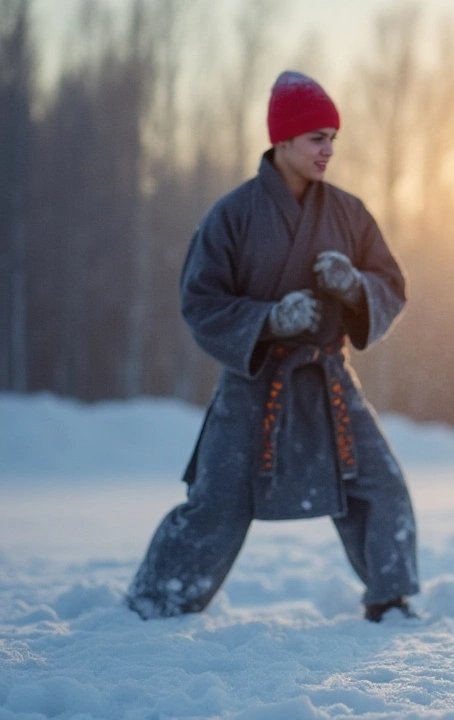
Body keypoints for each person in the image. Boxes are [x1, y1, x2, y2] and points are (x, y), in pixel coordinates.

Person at [127, 71, 419, 623]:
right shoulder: (231, 216)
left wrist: (355, 286)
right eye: (317, 137)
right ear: (280, 140)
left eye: (333, 137)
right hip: (253, 384)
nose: (329, 149)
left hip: (328, 377)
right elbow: (201, 300)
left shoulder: (350, 214)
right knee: (217, 501)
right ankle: (158, 599)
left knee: (381, 485)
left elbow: (391, 284)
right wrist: (267, 318)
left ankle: (391, 598)